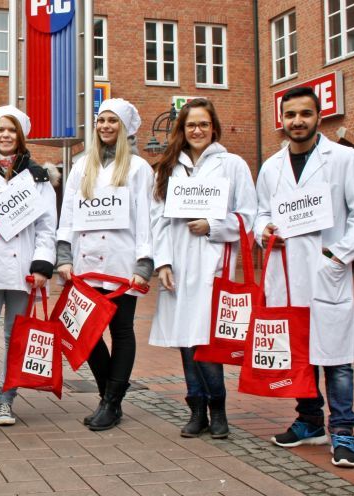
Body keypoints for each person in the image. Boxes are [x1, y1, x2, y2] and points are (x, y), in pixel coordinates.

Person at [255, 86, 354, 468]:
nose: (297, 121)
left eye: (305, 114)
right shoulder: (271, 167)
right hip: (287, 274)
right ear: (281, 120)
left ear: (318, 116)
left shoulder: (343, 159)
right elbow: (260, 213)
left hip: (326, 273)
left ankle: (342, 430)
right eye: (290, 115)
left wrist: (338, 256)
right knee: (299, 354)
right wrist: (264, 231)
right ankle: (309, 422)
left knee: (337, 361)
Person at [148, 98, 257, 439]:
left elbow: (248, 216)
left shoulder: (233, 165)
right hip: (178, 264)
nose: (197, 130)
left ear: (214, 128)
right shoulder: (168, 168)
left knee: (208, 341)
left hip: (212, 264)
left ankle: (218, 408)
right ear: (181, 129)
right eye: (191, 124)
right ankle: (197, 409)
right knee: (186, 340)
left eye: (204, 124)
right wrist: (162, 262)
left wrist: (211, 225)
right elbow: (157, 221)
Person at [56, 98, 154, 431]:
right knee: (89, 333)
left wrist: (143, 265)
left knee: (121, 330)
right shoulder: (82, 166)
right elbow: (67, 214)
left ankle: (111, 403)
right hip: (86, 263)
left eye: (113, 121)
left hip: (121, 262)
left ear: (125, 127)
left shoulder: (140, 169)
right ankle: (106, 396)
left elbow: (147, 219)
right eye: (101, 121)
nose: (105, 126)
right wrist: (64, 256)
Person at [0, 106, 57, 426]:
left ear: (21, 136)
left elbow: (47, 226)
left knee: (15, 337)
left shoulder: (38, 176)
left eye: (12, 130)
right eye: (1, 129)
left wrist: (43, 265)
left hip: (23, 270)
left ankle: (7, 400)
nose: (5, 135)